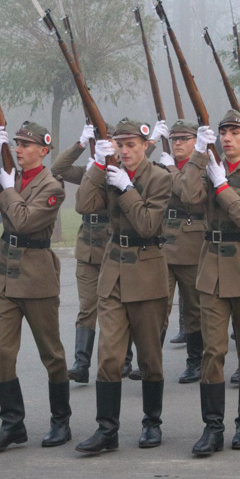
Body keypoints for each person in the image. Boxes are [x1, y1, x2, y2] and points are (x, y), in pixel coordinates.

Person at [0, 122, 70, 453]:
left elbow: (24, 220)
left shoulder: (52, 186)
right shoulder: (9, 176)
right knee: (1, 352)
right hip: (6, 276)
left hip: (36, 277)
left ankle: (60, 421)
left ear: (44, 150)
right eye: (17, 143)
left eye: (26, 144)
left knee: (50, 353)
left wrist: (7, 189)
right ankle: (12, 423)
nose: (19, 149)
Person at [181, 110, 240, 455]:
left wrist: (221, 185)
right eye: (223, 132)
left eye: (235, 132)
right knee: (212, 351)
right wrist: (197, 156)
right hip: (213, 268)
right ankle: (213, 427)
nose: (227, 138)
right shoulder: (207, 167)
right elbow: (187, 197)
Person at [74, 118, 172, 453]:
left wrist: (127, 189)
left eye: (131, 145)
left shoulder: (160, 178)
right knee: (109, 356)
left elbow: (147, 225)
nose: (125, 150)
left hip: (147, 271)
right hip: (114, 270)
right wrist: (97, 166)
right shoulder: (108, 170)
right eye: (120, 144)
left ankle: (151, 423)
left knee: (149, 357)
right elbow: (83, 205)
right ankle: (107, 430)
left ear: (146, 146)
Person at [50, 123, 115, 385]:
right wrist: (80, 144)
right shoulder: (90, 170)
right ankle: (81, 362)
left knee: (118, 309)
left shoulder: (121, 171)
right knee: (87, 308)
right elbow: (58, 170)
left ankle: (125, 357)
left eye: (108, 140)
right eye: (98, 139)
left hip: (114, 249)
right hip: (88, 248)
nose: (103, 143)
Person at [157, 120, 208, 384]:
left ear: (194, 141)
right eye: (174, 138)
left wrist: (168, 168)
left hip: (192, 243)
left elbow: (188, 193)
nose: (177, 143)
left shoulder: (202, 166)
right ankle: (151, 362)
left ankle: (195, 361)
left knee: (193, 308)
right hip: (164, 242)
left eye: (183, 138)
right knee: (157, 307)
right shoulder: (162, 164)